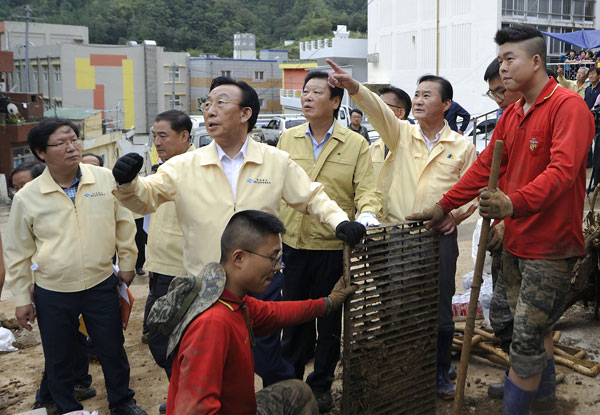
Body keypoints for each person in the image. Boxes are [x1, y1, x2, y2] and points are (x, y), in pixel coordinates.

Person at [112, 76, 365, 390]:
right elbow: (145, 197)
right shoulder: (184, 165)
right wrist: (127, 183)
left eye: (221, 103)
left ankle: (282, 402)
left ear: (245, 114)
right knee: (213, 366)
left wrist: (340, 222)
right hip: (205, 289)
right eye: (207, 104)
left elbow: (312, 197)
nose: (210, 111)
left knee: (270, 360)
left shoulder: (275, 161)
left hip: (262, 284)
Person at [409, 25, 594, 414]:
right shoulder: (513, 113)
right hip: (514, 242)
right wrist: (444, 205)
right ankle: (541, 399)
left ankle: (519, 406)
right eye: (502, 59)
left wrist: (512, 204)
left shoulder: (568, 108)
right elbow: (482, 169)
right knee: (527, 330)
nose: (503, 68)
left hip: (550, 246)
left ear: (537, 61)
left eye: (511, 59)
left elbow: (562, 174)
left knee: (527, 335)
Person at [327, 58, 477, 401]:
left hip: (438, 238)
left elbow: (475, 190)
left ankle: (439, 372)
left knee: (438, 307)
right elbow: (378, 110)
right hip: (398, 236)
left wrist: (457, 215)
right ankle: (402, 368)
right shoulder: (402, 133)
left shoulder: (462, 147)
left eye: (427, 95)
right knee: (398, 304)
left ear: (446, 104)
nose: (419, 100)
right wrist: (353, 87)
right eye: (417, 94)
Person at [4, 118, 145, 415]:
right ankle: (67, 408)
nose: (72, 147)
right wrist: (20, 299)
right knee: (59, 356)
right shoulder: (28, 196)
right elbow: (18, 252)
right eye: (62, 143)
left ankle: (122, 402)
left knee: (111, 349)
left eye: (74, 140)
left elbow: (124, 224)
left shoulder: (104, 179)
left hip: (101, 283)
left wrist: (129, 262)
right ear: (41, 153)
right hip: (52, 290)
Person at [163, 210, 356, 414]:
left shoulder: (234, 301)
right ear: (239, 258)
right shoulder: (212, 324)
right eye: (272, 258)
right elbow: (193, 410)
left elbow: (277, 313)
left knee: (297, 391)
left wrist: (329, 302)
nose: (277, 267)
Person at [277, 70, 381, 412]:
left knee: (329, 323)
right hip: (293, 245)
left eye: (316, 92)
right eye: (305, 91)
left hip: (333, 249)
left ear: (335, 101)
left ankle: (320, 384)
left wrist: (364, 218)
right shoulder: (287, 139)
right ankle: (291, 384)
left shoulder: (356, 144)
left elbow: (367, 191)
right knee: (293, 320)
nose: (306, 97)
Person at [141, 110, 195, 413]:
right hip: (158, 268)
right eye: (154, 135)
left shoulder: (194, 168)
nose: (157, 141)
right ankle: (182, 393)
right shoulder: (162, 167)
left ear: (184, 136)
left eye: (164, 135)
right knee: (162, 341)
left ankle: (187, 397)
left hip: (179, 271)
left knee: (168, 342)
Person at [370, 86, 413, 181]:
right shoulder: (375, 146)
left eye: (383, 106)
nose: (378, 110)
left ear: (401, 112)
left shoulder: (415, 146)